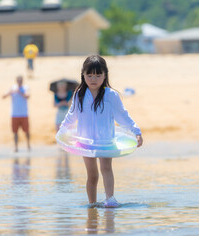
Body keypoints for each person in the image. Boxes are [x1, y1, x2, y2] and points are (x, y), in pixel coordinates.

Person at [58, 55, 143, 208]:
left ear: (105, 75)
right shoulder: (79, 94)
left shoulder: (111, 95)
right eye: (89, 75)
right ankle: (92, 204)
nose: (93, 79)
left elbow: (122, 115)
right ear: (83, 75)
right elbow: (72, 115)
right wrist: (62, 130)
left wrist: (136, 131)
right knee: (92, 174)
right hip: (85, 141)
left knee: (106, 168)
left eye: (98, 75)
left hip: (105, 141)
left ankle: (110, 199)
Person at [3, 76, 31, 152]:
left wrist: (20, 92)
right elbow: (4, 96)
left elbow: (28, 96)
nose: (19, 81)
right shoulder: (13, 88)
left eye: (21, 80)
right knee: (15, 132)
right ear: (16, 81)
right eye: (18, 80)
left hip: (24, 114)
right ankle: (16, 147)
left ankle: (28, 145)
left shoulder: (25, 88)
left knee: (27, 131)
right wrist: (10, 92)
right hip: (14, 114)